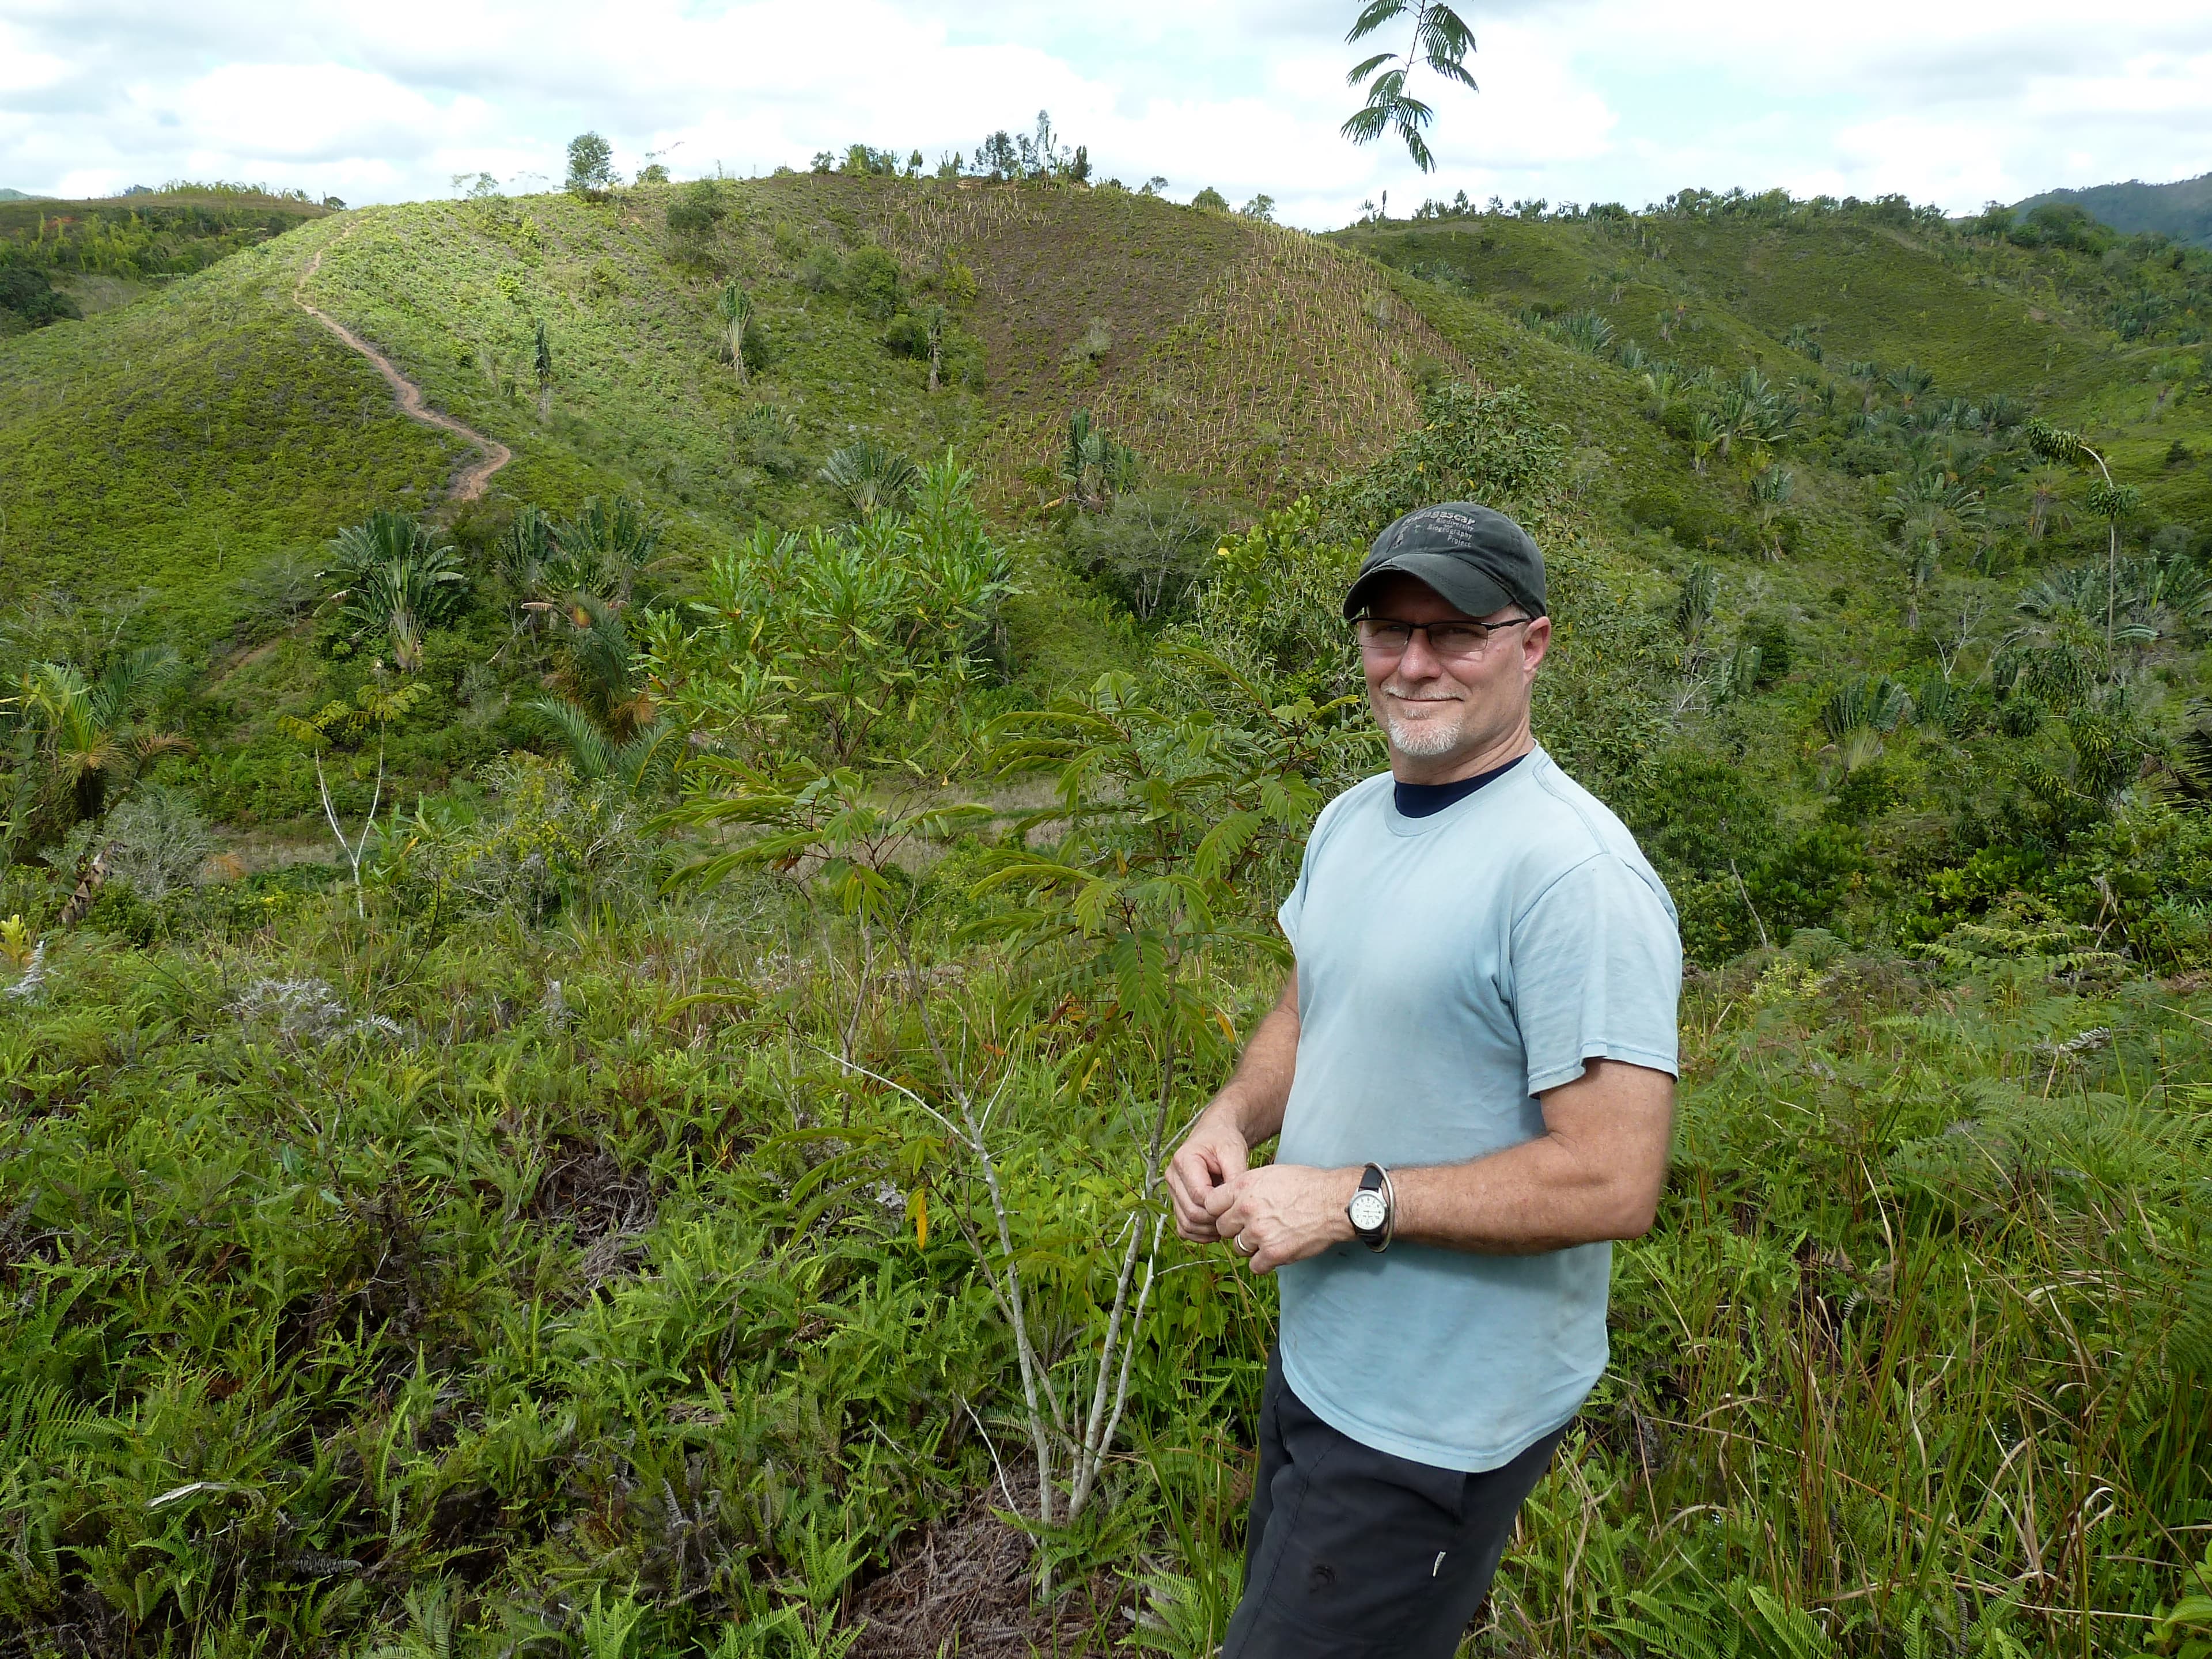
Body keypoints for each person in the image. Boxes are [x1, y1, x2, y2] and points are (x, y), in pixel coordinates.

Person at [1165, 502, 1682, 1659]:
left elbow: (1614, 1181)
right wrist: (1232, 1117)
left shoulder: (1574, 876)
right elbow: (1311, 1006)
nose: (1414, 663)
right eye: (1389, 631)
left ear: (1533, 644)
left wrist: (1350, 1200)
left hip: (1439, 1421)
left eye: (1456, 634)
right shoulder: (1351, 823)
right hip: (1326, 1362)